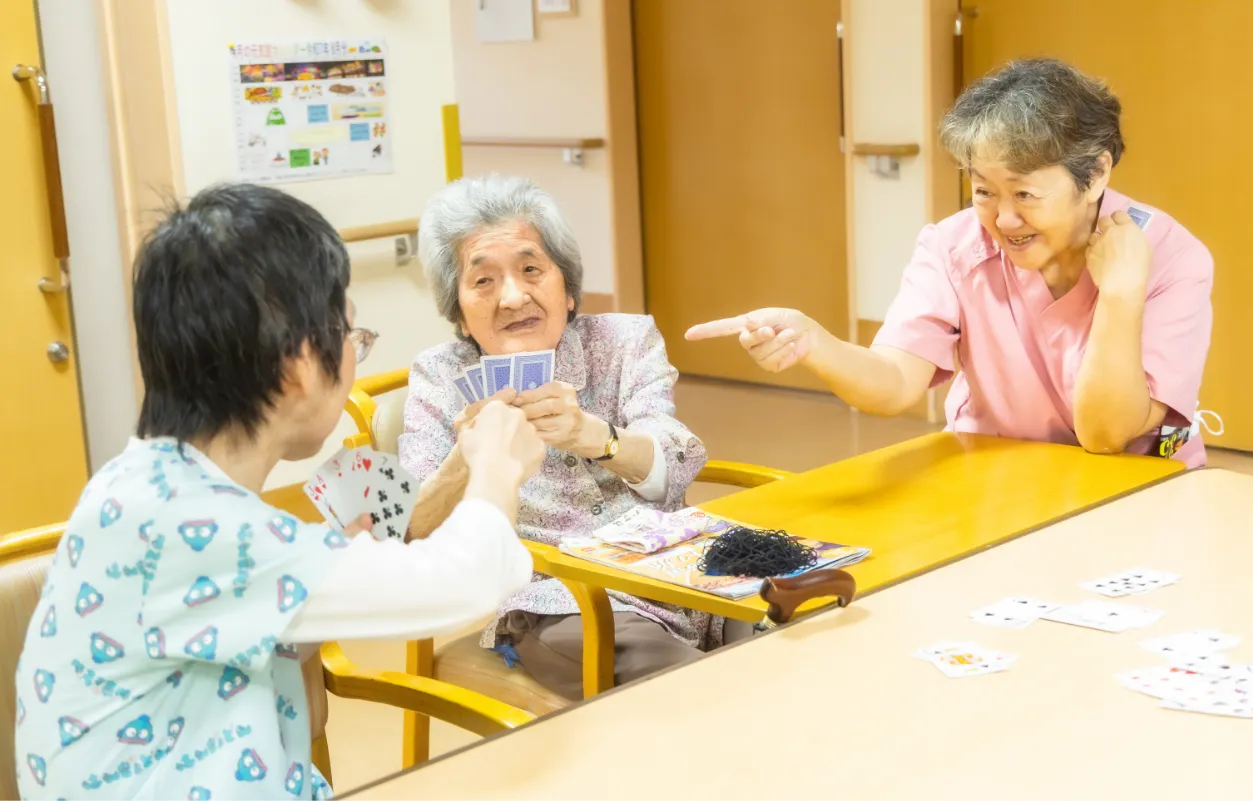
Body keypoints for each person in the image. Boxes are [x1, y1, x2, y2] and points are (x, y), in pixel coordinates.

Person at [13, 184, 544, 800]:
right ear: (295, 369)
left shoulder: (145, 488)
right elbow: (464, 583)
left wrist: (362, 547)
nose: (355, 360)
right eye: (352, 338)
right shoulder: (191, 524)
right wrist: (497, 470)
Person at [686, 58, 1215, 466]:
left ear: (1096, 174)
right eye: (983, 190)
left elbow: (1106, 437)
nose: (1003, 220)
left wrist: (1120, 298)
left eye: (1026, 194)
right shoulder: (954, 246)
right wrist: (814, 342)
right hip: (994, 473)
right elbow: (894, 383)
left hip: (1135, 483)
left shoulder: (1171, 257)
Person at [400, 175, 754, 701]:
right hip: (560, 601)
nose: (513, 296)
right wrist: (465, 460)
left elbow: (675, 462)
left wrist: (594, 436)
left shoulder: (624, 341)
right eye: (483, 281)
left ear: (567, 290)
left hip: (684, 574)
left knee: (796, 641)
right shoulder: (440, 377)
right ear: (459, 314)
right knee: (697, 694)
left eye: (530, 269)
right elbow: (408, 529)